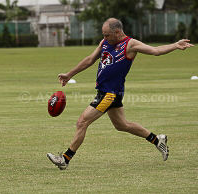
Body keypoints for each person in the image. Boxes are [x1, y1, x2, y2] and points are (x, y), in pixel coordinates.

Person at [47, 18, 194, 170]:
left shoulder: (130, 44)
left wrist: (175, 45)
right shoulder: (105, 43)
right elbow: (90, 59)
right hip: (105, 91)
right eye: (103, 35)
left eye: (107, 35)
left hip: (110, 94)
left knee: (82, 122)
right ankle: (157, 140)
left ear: (117, 32)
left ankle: (65, 159)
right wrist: (70, 74)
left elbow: (155, 51)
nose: (104, 38)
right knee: (122, 125)